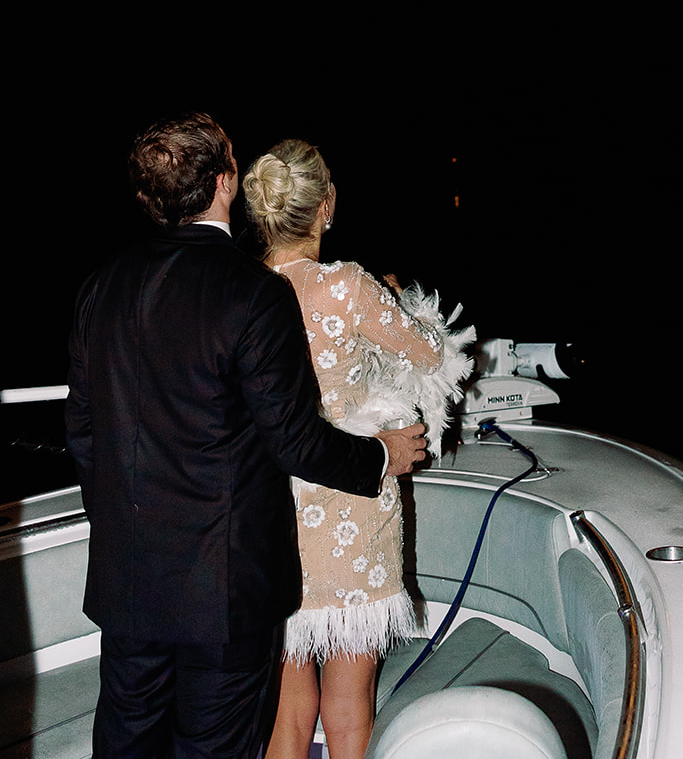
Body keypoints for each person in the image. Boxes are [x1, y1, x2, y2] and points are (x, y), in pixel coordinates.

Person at [66, 112, 427, 759]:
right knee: (215, 744)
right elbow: (293, 442)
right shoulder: (252, 294)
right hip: (221, 589)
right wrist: (381, 454)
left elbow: (84, 433)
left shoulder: (101, 287)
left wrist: (124, 527)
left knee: (126, 739)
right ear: (226, 182)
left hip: (127, 580)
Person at [242, 139, 473, 759]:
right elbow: (432, 354)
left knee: (286, 713)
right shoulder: (349, 287)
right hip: (352, 504)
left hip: (270, 506)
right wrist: (395, 303)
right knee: (349, 709)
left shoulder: (238, 291)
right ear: (327, 207)